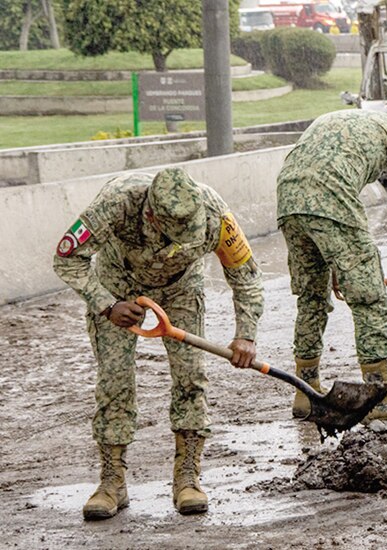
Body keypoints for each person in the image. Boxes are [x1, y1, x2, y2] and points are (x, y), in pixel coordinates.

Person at [53, 168, 264, 520]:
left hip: (181, 289)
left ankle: (187, 477)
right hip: (117, 288)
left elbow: (246, 276)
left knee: (190, 378)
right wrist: (106, 304)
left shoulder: (215, 215)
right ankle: (112, 481)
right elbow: (66, 258)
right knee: (114, 380)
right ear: (151, 214)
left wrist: (246, 333)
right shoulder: (117, 202)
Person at [276, 110, 387, 423]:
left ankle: (305, 391)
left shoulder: (337, 120)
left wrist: (334, 264)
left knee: (311, 298)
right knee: (368, 295)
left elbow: (317, 171)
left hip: (288, 197)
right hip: (330, 195)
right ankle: (377, 398)